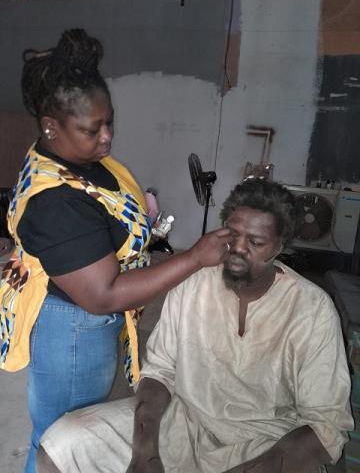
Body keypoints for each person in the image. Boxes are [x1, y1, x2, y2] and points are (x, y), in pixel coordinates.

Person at [0, 29, 232, 473]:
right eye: (93, 129)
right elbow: (103, 294)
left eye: (110, 123)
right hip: (71, 331)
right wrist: (193, 257)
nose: (107, 138)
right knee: (58, 441)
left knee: (70, 433)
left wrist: (137, 223)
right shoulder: (56, 203)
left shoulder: (83, 160)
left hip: (87, 322)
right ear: (51, 127)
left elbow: (103, 207)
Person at [37, 178, 354, 473]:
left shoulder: (311, 309)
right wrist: (145, 452)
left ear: (279, 247)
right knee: (61, 445)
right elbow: (160, 372)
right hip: (184, 421)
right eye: (233, 235)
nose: (238, 250)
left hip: (264, 442)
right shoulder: (194, 281)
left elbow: (325, 423)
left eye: (255, 242)